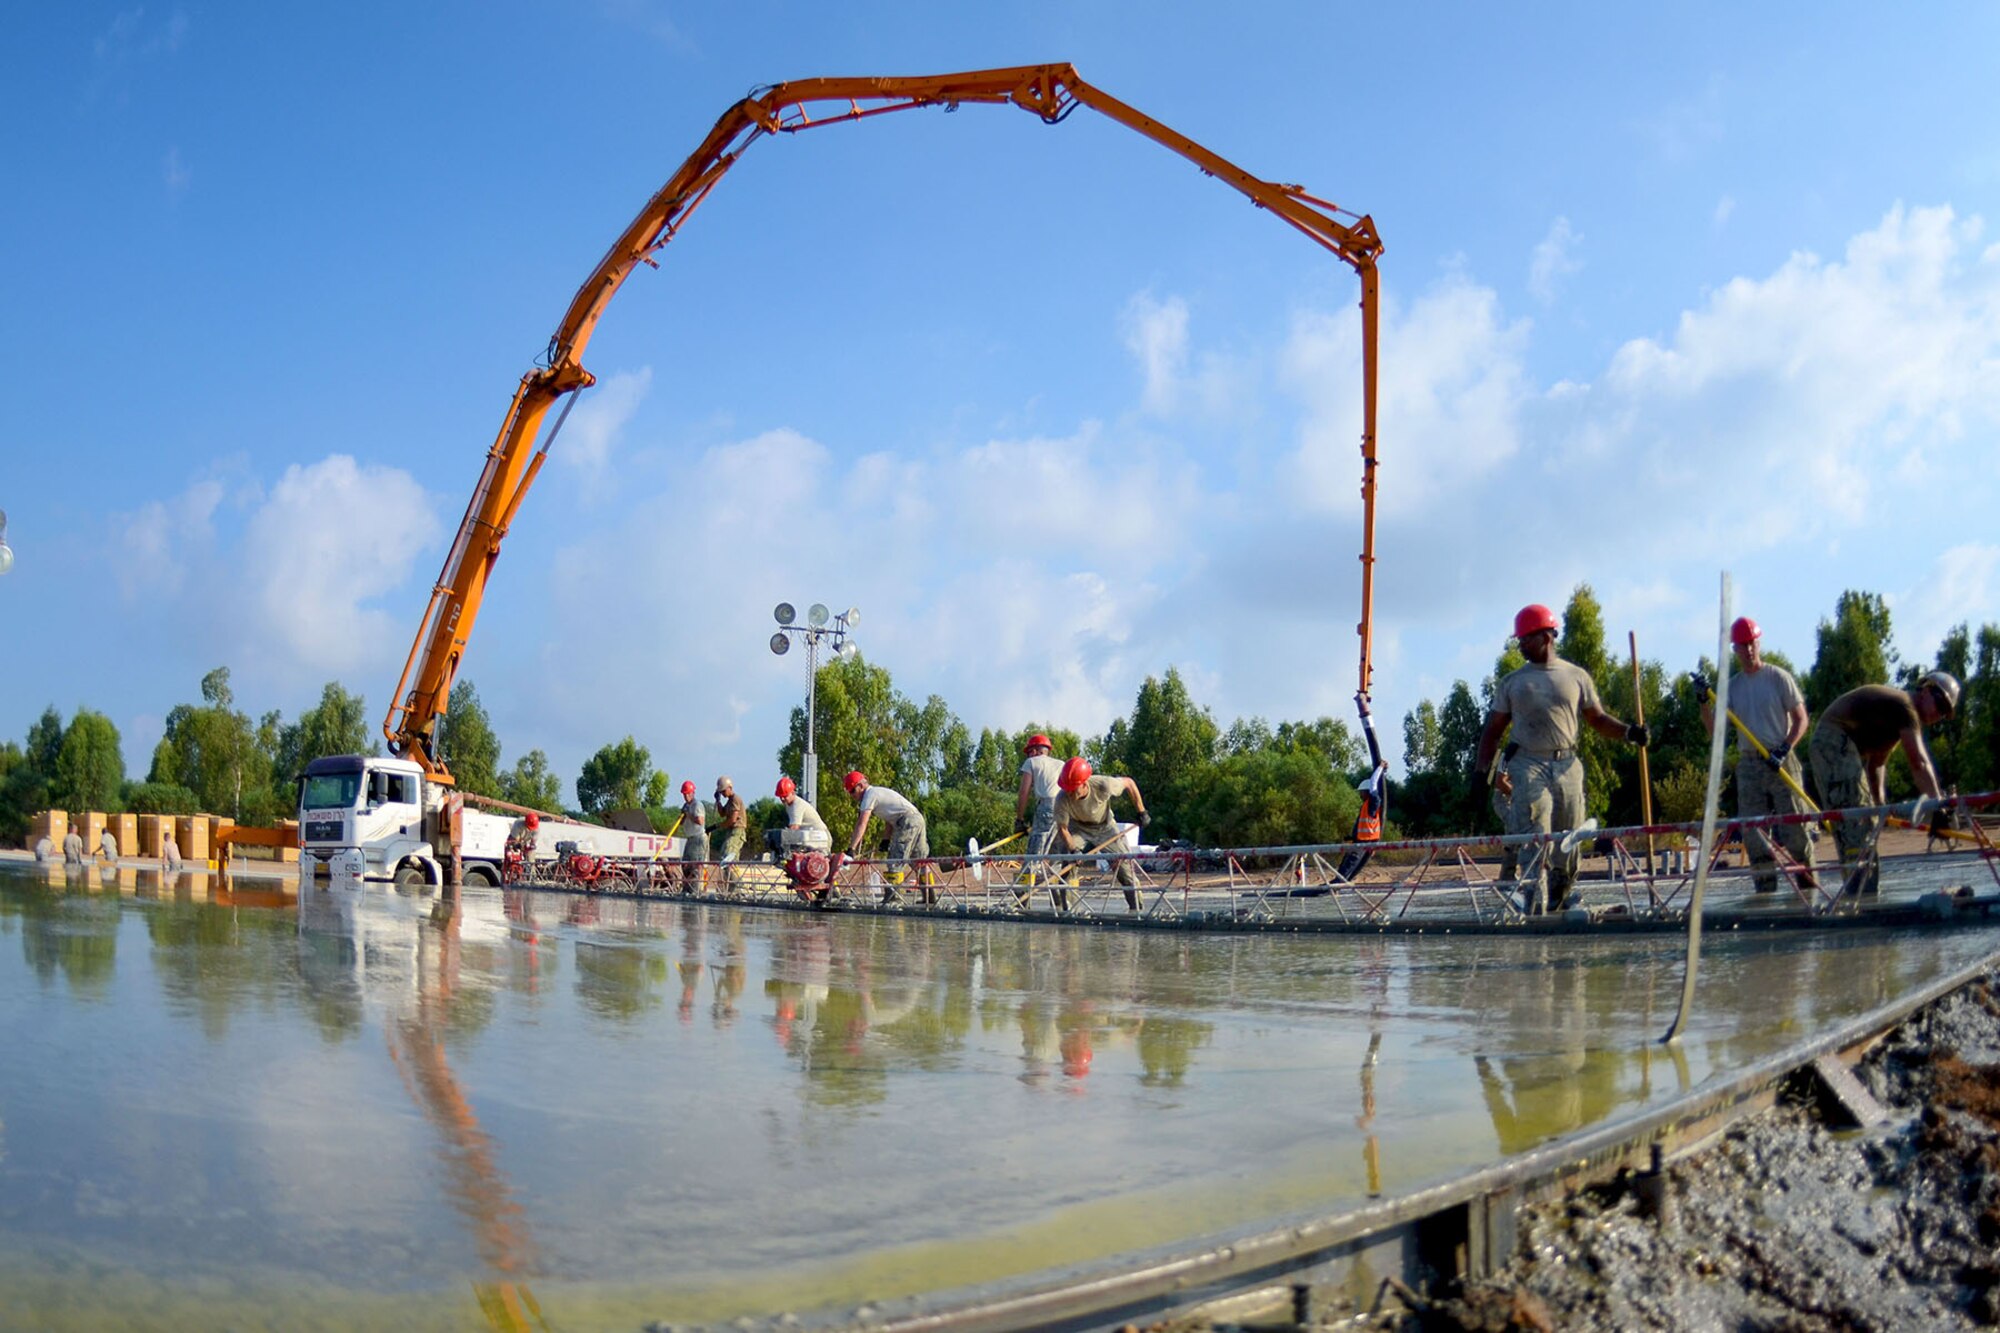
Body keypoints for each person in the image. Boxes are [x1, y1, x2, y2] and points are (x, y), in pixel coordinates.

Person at [1473, 603, 1650, 914]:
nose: (1520, 645)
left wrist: (1629, 732)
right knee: (1535, 828)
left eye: (1526, 639)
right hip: (1527, 762)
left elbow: (1598, 719)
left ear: (1546, 636)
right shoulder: (1513, 682)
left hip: (1568, 763)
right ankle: (1532, 897)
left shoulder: (1576, 676)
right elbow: (1493, 730)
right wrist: (1482, 772)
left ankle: (1560, 893)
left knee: (1569, 835)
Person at [1808, 671, 1957, 895]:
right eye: (1940, 704)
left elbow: (1876, 765)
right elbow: (1919, 763)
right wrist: (1939, 807)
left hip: (1835, 746)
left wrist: (1880, 807)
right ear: (1926, 691)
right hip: (1833, 741)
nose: (1940, 714)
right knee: (1856, 823)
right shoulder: (1905, 707)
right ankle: (1860, 895)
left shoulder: (1894, 720)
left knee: (1864, 821)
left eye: (1945, 712)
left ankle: (1862, 892)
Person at [1697, 616, 1816, 893]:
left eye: (1752, 644)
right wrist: (1703, 702)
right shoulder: (1733, 687)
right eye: (1742, 646)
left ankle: (1809, 889)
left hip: (1782, 758)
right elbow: (1715, 730)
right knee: (1753, 833)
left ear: (1758, 643)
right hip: (1750, 764)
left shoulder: (1778, 677)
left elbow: (1801, 719)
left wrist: (1785, 748)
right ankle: (1764, 893)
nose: (1749, 650)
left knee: (1796, 829)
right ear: (1735, 650)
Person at [1051, 757, 1150, 912]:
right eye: (1067, 788)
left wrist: (1141, 811)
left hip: (1105, 828)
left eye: (1073, 788)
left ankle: (1137, 909)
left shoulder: (1103, 785)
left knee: (1124, 867)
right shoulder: (1062, 797)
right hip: (1078, 829)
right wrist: (1073, 850)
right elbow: (1062, 828)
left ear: (1084, 784)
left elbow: (1129, 783)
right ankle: (1067, 909)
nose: (1069, 792)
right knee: (1068, 862)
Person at [841, 771, 930, 904]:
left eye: (853, 791)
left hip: (907, 821)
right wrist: (885, 839)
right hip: (916, 819)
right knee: (919, 861)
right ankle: (930, 896)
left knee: (895, 859)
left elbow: (862, 823)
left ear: (860, 786)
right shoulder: (879, 793)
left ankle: (892, 899)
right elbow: (890, 819)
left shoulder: (869, 796)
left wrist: (851, 848)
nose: (853, 795)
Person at [1014, 733, 1065, 884]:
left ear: (1036, 750)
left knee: (1033, 855)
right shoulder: (1061, 764)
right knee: (1057, 855)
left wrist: (1019, 820)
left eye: (1029, 751)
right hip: (1063, 807)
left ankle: (1022, 900)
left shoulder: (1032, 762)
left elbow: (1024, 792)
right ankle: (1060, 901)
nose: (1028, 755)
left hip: (1046, 808)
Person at [769, 775, 830, 854]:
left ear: (793, 793)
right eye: (780, 796)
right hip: (811, 838)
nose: (782, 799)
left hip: (819, 839)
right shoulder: (789, 804)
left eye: (785, 796)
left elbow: (794, 829)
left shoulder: (797, 806)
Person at [676, 779, 708, 890]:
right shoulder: (685, 806)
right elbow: (680, 822)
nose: (686, 796)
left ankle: (695, 890)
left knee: (695, 866)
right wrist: (683, 816)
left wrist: (689, 814)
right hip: (690, 838)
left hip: (698, 838)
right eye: (684, 794)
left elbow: (700, 821)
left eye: (688, 794)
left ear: (692, 793)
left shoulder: (697, 805)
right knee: (685, 864)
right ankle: (686, 888)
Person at [712, 777, 748, 865]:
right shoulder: (730, 801)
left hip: (737, 832)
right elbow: (722, 813)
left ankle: (732, 876)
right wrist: (718, 801)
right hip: (731, 831)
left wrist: (719, 825)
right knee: (726, 856)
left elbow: (732, 820)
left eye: (723, 791)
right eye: (721, 792)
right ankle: (732, 878)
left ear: (730, 788)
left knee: (727, 855)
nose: (722, 793)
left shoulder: (735, 799)